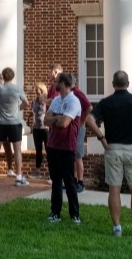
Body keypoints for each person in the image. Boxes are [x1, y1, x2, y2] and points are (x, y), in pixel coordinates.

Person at [85, 70, 132, 237]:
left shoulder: (106, 102)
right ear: (127, 84)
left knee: (114, 189)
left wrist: (102, 138)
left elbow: (89, 119)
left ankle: (117, 227)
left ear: (113, 84)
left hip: (113, 148)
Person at [48, 63, 93, 192]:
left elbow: (89, 107)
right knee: (72, 157)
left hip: (76, 128)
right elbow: (51, 119)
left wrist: (81, 122)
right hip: (64, 133)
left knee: (77, 155)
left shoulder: (77, 94)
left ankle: (80, 182)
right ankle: (72, 180)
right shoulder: (61, 98)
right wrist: (57, 119)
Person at [46, 72, 82, 224]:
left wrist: (56, 119)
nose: (55, 84)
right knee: (56, 180)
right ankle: (55, 212)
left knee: (69, 181)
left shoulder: (73, 101)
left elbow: (65, 123)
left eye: (57, 82)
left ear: (64, 84)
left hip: (67, 146)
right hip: (52, 145)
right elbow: (46, 120)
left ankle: (74, 214)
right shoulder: (55, 100)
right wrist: (56, 118)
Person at [0, 67, 30, 186]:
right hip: (14, 122)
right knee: (17, 150)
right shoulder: (17, 88)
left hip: (1, 122)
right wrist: (18, 109)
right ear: (12, 77)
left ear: (3, 76)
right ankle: (18, 176)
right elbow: (26, 103)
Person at [32, 84, 49, 177]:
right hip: (36, 128)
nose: (37, 92)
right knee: (38, 150)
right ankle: (37, 172)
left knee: (48, 150)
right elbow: (34, 112)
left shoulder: (47, 101)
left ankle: (52, 173)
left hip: (45, 128)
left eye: (39, 90)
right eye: (36, 90)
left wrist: (43, 101)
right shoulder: (34, 101)